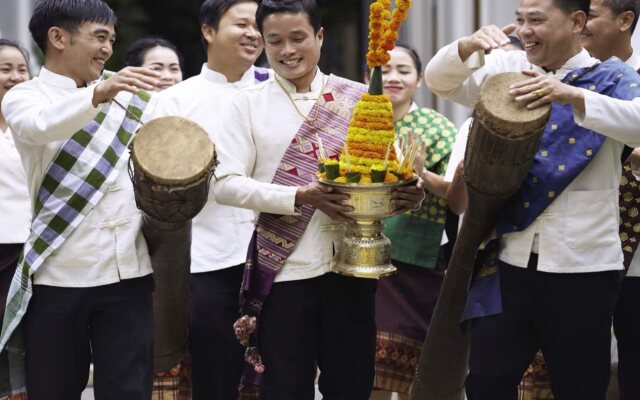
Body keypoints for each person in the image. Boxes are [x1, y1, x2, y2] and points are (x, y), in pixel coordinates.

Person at [425, 0, 640, 398]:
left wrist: (572, 97)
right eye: (520, 20)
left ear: (577, 21)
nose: (524, 30)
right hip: (507, 259)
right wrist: (466, 47)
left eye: (537, 20)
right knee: (486, 382)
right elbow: (440, 81)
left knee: (580, 386)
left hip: (585, 267)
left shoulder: (613, 77)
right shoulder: (509, 69)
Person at [211, 1, 424, 399]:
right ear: (262, 43)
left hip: (353, 267)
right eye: (275, 41)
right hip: (285, 272)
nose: (287, 50)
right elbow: (224, 184)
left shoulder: (360, 97)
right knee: (286, 386)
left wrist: (407, 194)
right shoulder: (245, 105)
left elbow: (387, 172)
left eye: (298, 38)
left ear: (319, 37)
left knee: (352, 384)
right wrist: (299, 196)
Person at [0, 0, 162, 399]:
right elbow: (39, 128)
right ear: (58, 37)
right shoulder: (24, 97)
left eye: (111, 38)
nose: (108, 48)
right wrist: (98, 95)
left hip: (128, 271)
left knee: (129, 391)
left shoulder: (132, 96)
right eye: (99, 37)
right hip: (57, 273)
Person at [152, 0, 269, 399]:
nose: (254, 33)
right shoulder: (175, 101)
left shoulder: (283, 91)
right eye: (242, 24)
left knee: (284, 375)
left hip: (281, 257)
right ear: (208, 31)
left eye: (259, 25)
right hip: (206, 257)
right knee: (214, 376)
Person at [367, 43, 457, 400]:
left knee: (414, 365)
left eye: (403, 70)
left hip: (416, 261)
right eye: (383, 70)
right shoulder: (359, 123)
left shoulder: (437, 127)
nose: (392, 77)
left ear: (419, 79)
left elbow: (456, 193)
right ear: (368, 77)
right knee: (368, 362)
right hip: (360, 257)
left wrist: (421, 175)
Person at [582, 1, 640, 399]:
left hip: (635, 256)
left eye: (591, 14)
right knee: (581, 363)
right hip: (579, 248)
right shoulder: (572, 77)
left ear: (625, 21)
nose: (581, 24)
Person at [0, 39, 31, 400]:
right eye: (5, 69)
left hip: (30, 249)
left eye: (21, 69)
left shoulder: (34, 125)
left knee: (24, 340)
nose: (14, 76)